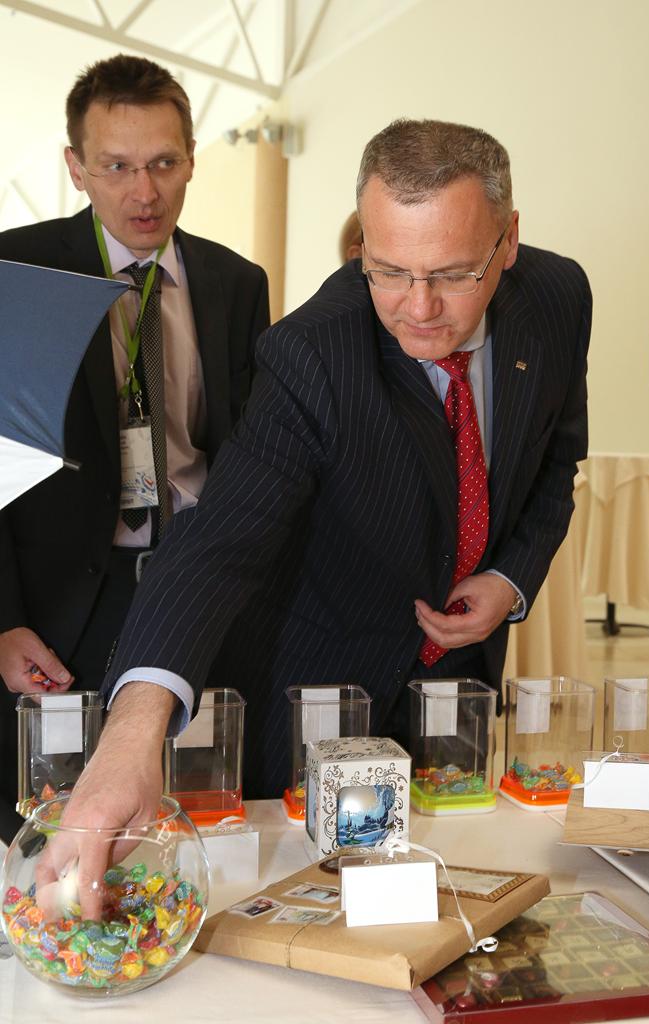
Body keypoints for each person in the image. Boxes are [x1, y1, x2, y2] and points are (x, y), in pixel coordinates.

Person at [62, 118, 591, 848]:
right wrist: (130, 739)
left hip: (455, 683)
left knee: (458, 865)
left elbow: (556, 462)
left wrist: (510, 576)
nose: (418, 306)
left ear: (508, 241)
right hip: (320, 677)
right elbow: (219, 542)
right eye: (388, 270)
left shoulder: (559, 299)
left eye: (451, 274)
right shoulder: (313, 350)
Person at [0, 54, 269, 832]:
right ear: (76, 167)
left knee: (192, 820)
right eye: (116, 166)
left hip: (194, 584)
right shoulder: (16, 269)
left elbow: (248, 456)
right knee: (49, 826)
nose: (143, 191)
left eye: (162, 163)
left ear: (191, 161)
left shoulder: (235, 283)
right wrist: (2, 618)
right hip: (57, 606)